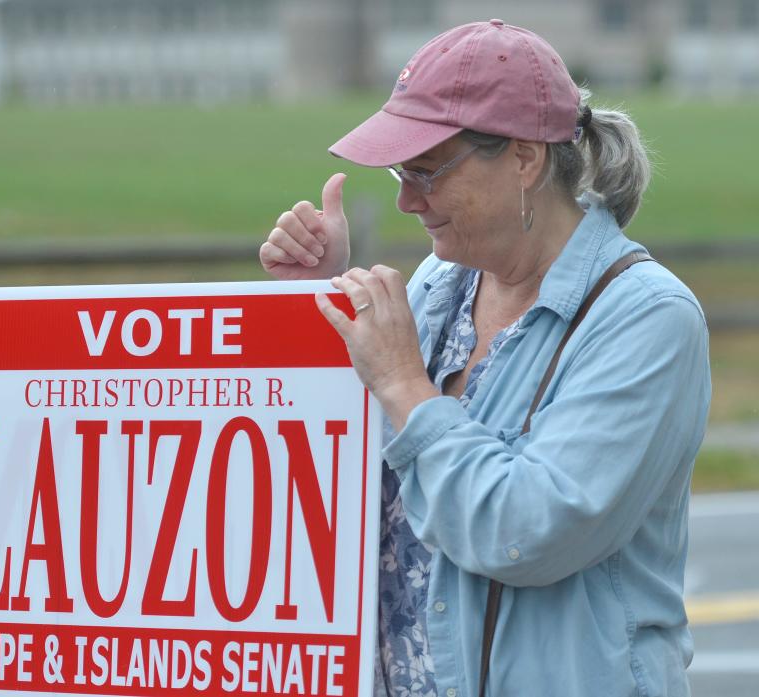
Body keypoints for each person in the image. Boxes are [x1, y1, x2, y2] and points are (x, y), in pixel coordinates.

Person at [259, 19, 711, 697]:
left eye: (426, 170)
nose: (407, 200)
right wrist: (318, 307)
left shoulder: (647, 318)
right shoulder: (443, 284)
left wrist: (408, 382)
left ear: (525, 159)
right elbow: (358, 479)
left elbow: (525, 530)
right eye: (399, 171)